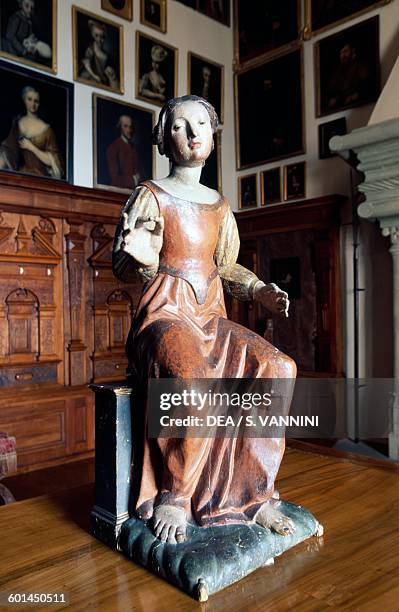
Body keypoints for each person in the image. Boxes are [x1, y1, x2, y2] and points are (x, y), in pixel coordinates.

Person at [113, 95, 296, 545]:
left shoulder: (219, 204)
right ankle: (175, 495)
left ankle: (256, 494)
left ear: (213, 136)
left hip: (211, 315)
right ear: (163, 138)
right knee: (192, 378)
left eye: (201, 124)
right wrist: (136, 257)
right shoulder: (151, 195)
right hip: (166, 313)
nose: (193, 134)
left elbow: (227, 267)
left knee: (278, 368)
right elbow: (128, 264)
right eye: (180, 126)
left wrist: (259, 291)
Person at [0, 85, 63, 179]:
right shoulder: (17, 123)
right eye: (29, 99)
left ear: (39, 103)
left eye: (36, 101)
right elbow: (8, 150)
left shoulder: (47, 129)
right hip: (22, 175)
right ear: (24, 100)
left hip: (41, 177)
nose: (33, 104)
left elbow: (54, 161)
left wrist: (31, 147)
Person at [327, 42, 369, 110]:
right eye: (341, 53)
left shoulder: (360, 67)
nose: (342, 56)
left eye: (345, 51)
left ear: (352, 52)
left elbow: (365, 88)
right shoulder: (338, 73)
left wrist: (355, 96)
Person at [79, 19, 119, 89]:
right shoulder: (91, 49)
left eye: (102, 37)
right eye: (96, 36)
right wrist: (95, 76)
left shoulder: (105, 53)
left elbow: (105, 67)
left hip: (101, 77)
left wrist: (110, 72)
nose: (99, 40)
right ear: (92, 35)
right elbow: (86, 63)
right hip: (91, 75)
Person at [106, 114, 142, 189]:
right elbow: (114, 179)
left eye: (130, 127)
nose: (129, 130)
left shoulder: (133, 148)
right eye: (125, 126)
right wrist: (134, 180)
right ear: (120, 128)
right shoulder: (113, 148)